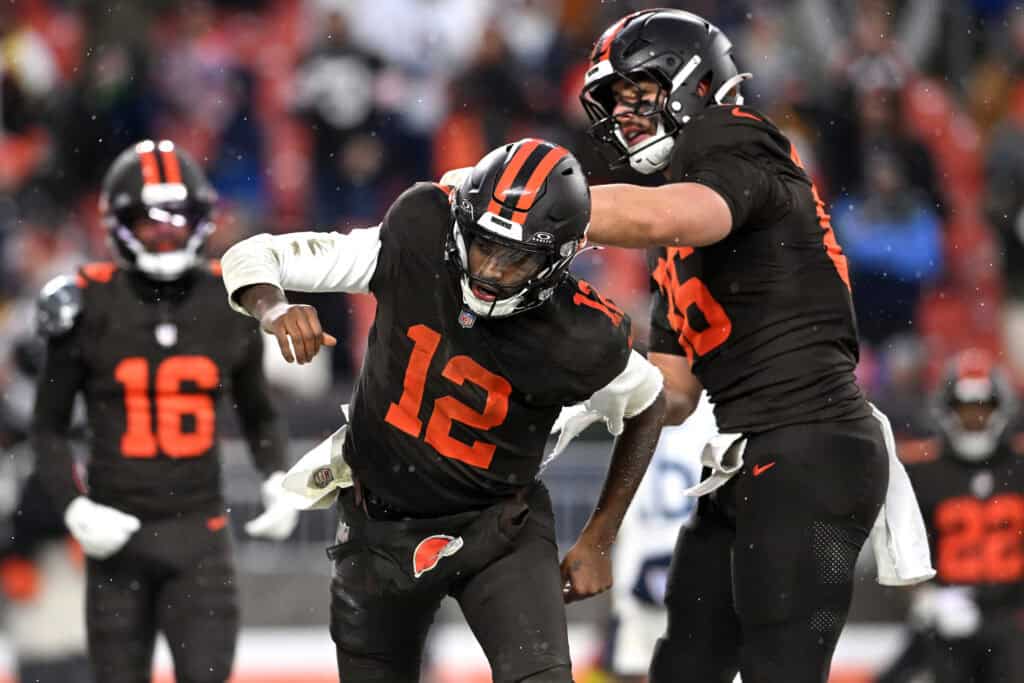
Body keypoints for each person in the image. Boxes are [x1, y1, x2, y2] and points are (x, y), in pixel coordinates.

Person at [220, 138, 666, 683]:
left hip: (499, 529)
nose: (492, 269)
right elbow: (250, 255)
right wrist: (275, 307)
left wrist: (599, 537)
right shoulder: (419, 234)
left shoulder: (582, 333)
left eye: (517, 256)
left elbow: (649, 403)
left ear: (561, 256)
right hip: (379, 523)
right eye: (482, 244)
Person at [577, 9, 927, 682]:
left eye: (636, 93)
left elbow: (693, 212)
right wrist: (572, 383)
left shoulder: (732, 137)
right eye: (614, 100)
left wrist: (537, 204)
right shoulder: (672, 221)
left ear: (693, 82)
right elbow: (669, 393)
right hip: (754, 453)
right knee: (683, 666)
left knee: (781, 670)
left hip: (811, 440)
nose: (623, 114)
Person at [29, 139, 299, 683]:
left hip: (198, 533)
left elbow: (259, 411)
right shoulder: (86, 302)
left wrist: (278, 478)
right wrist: (75, 507)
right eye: (150, 221)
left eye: (180, 218)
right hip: (116, 532)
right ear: (118, 223)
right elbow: (48, 427)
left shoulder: (229, 296)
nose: (167, 232)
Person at [877, 349, 1024, 683]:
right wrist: (926, 597)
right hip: (945, 619)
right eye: (965, 408)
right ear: (946, 409)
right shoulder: (921, 470)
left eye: (983, 408)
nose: (975, 419)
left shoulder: (1019, 467)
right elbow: (894, 543)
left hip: (1014, 618)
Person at [604, 392, 714, 683]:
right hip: (698, 557)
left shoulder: (645, 402)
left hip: (648, 555)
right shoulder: (717, 408)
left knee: (637, 665)